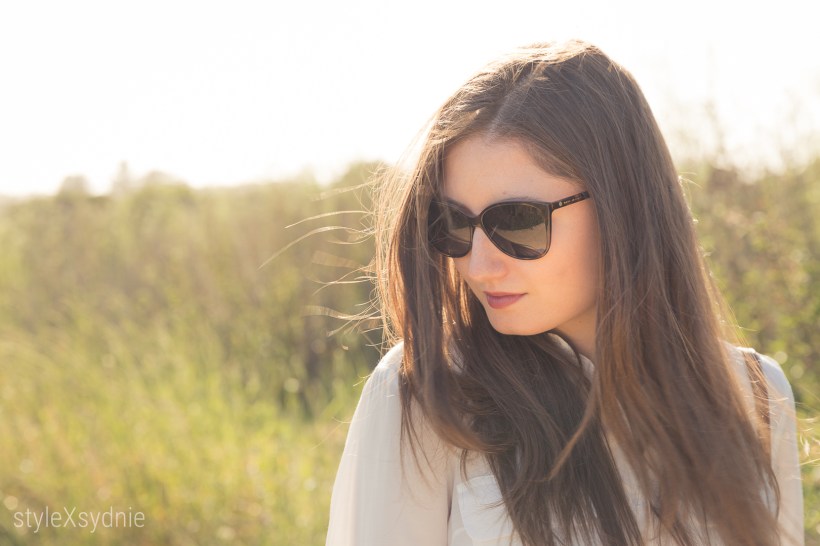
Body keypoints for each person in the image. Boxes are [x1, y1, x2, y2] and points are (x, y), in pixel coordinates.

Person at [325, 40, 804, 546]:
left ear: (622, 205)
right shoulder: (427, 395)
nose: (477, 264)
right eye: (455, 224)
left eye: (518, 222)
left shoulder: (754, 394)